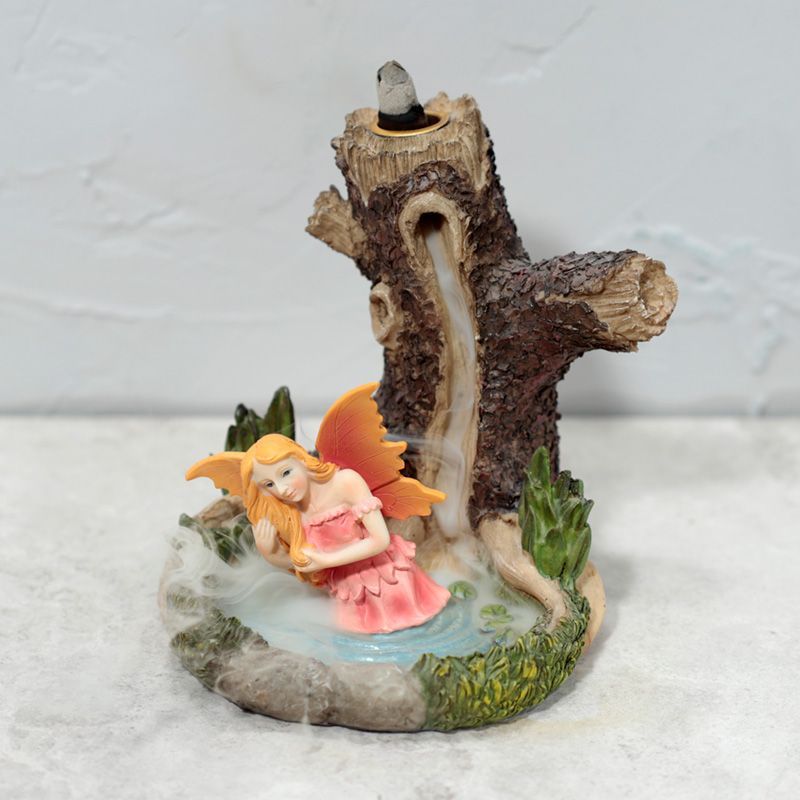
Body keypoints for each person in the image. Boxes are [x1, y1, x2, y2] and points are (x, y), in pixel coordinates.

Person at [186, 385, 450, 634]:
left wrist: (327, 561)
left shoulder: (345, 482)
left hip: (386, 575)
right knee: (352, 637)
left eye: (286, 473)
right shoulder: (289, 513)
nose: (282, 489)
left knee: (405, 627)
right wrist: (272, 553)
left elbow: (380, 541)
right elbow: (304, 563)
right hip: (348, 590)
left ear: (302, 460)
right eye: (269, 484)